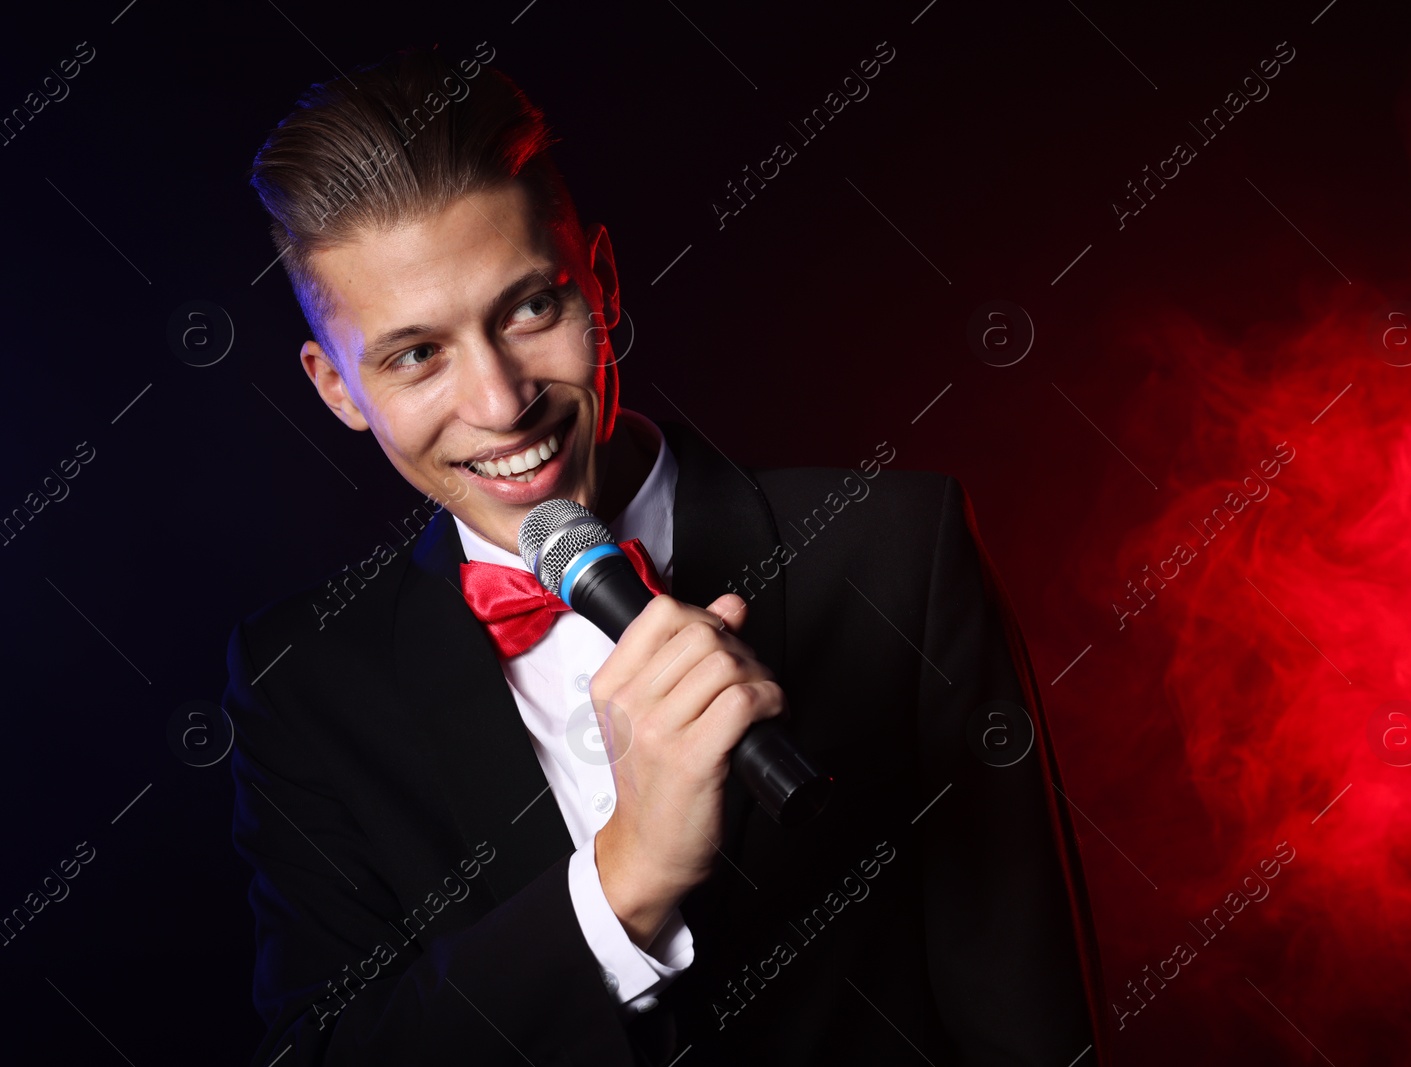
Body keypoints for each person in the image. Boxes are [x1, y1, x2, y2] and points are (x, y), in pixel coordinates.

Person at [229, 44, 1105, 1066]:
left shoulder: (893, 550)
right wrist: (623, 883)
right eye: (417, 354)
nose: (502, 402)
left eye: (529, 308)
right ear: (335, 388)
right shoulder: (302, 681)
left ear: (598, 280)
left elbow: (1031, 1024)